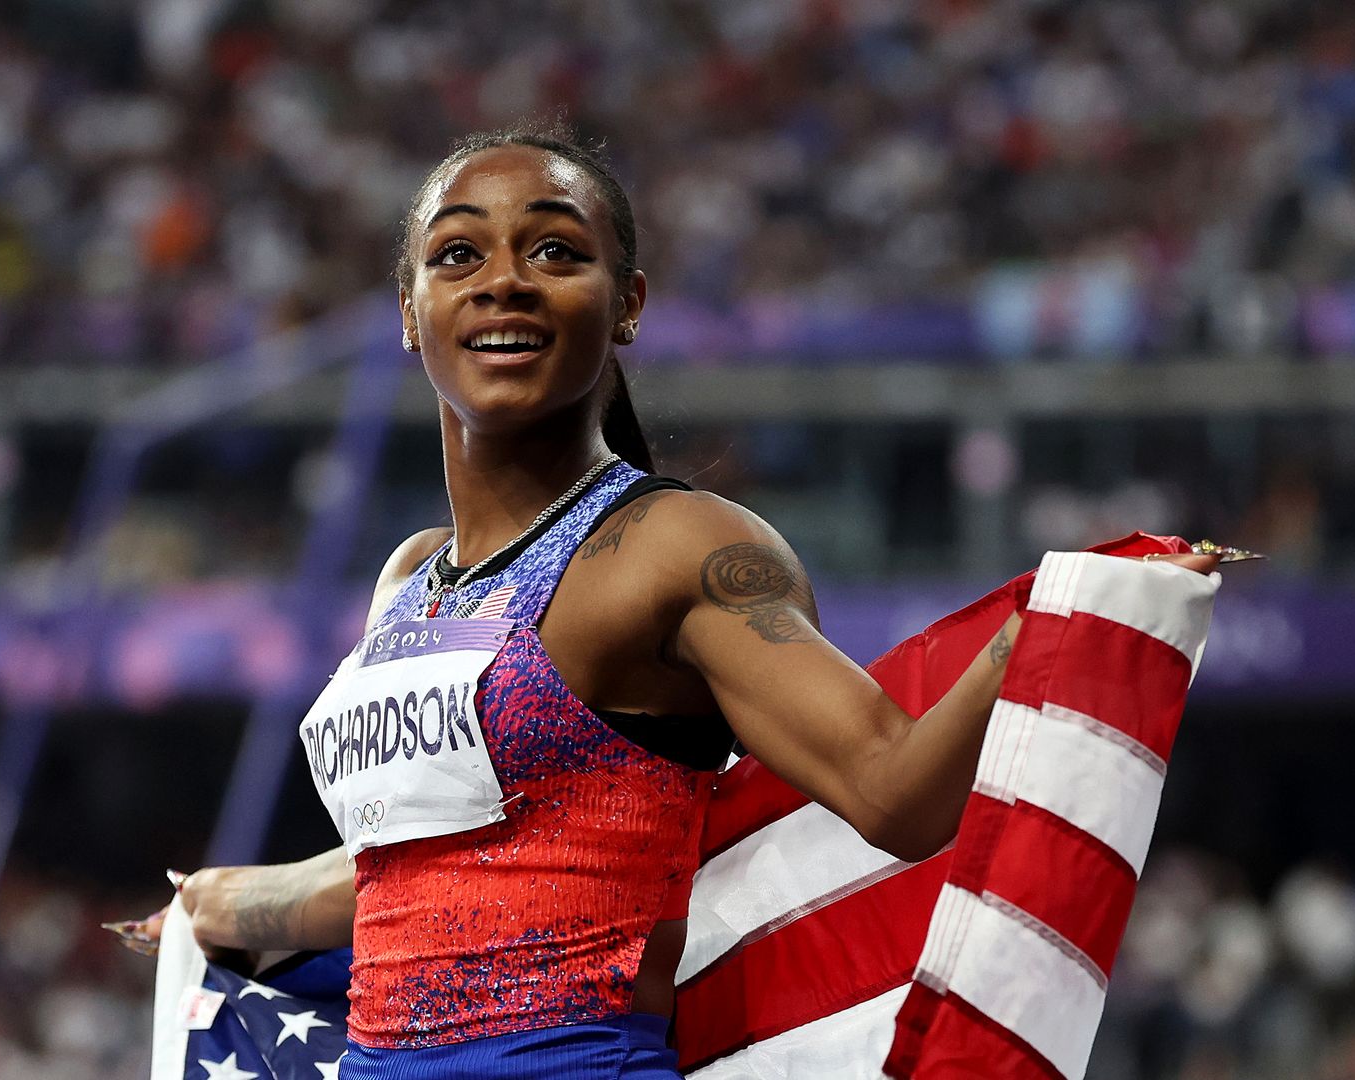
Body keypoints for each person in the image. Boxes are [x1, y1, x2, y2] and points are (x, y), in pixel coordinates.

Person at [131, 121, 1221, 1077]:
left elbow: (894, 792)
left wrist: (1056, 617)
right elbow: (402, 872)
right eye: (457, 253)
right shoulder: (409, 580)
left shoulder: (675, 546)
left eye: (555, 250)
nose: (503, 280)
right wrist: (226, 902)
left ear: (628, 304)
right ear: (413, 313)